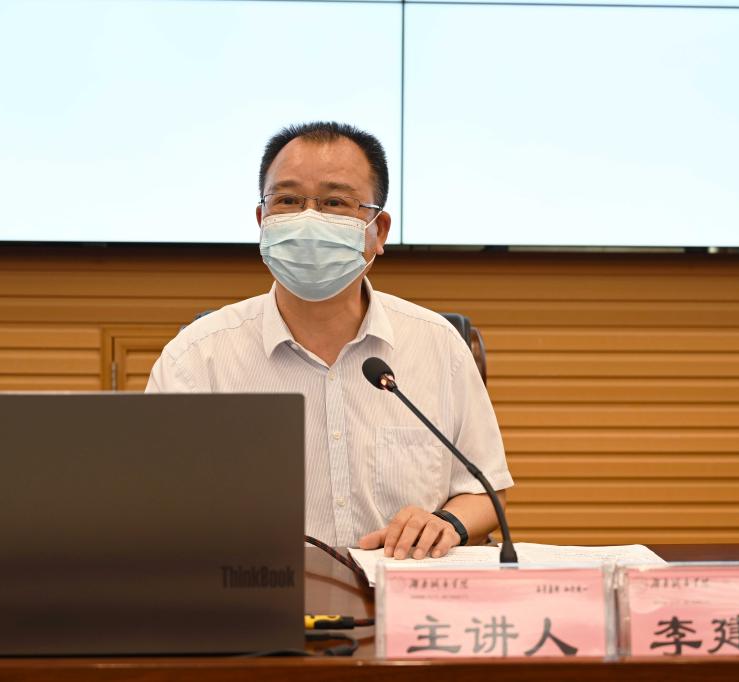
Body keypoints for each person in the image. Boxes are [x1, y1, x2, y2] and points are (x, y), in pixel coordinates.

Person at [146, 121, 512, 559]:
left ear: (379, 230)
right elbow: (156, 506)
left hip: (401, 587)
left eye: (335, 202)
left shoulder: (439, 346)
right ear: (262, 221)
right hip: (255, 587)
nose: (308, 219)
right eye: (287, 201)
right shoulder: (196, 359)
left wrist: (446, 523)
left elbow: (485, 490)